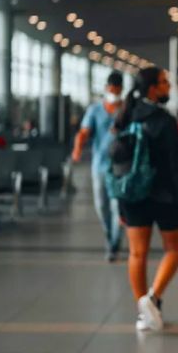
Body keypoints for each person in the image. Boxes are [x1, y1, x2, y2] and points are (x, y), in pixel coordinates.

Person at [114, 67, 178, 332]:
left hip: (132, 194)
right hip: (164, 196)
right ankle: (153, 298)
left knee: (137, 253)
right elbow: (177, 167)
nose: (168, 87)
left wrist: (119, 200)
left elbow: (116, 162)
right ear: (152, 88)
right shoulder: (164, 120)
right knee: (175, 249)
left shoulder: (124, 116)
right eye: (164, 83)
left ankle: (143, 313)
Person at [72, 72, 124, 262]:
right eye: (111, 89)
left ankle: (114, 244)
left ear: (121, 89)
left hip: (121, 167)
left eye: (117, 89)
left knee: (118, 206)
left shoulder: (126, 109)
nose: (114, 92)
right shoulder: (95, 110)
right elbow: (84, 132)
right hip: (100, 165)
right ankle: (109, 235)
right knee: (102, 206)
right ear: (106, 88)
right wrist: (77, 149)